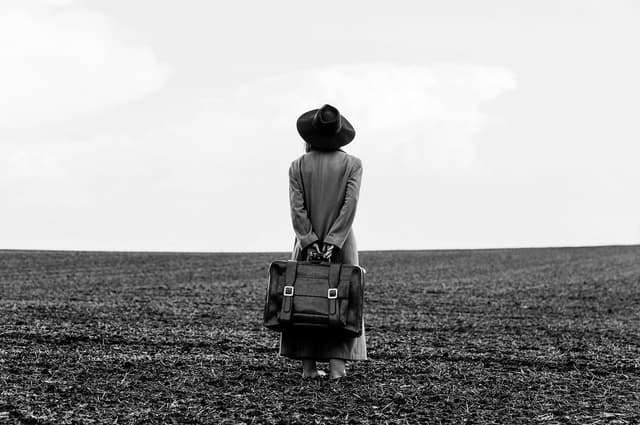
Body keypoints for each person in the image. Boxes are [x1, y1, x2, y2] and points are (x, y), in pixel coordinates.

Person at [279, 104, 367, 379]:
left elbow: (297, 209)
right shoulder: (353, 164)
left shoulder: (297, 166)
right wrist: (332, 242)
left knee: (304, 297)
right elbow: (349, 205)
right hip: (342, 245)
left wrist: (310, 241)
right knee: (341, 299)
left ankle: (308, 367)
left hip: (305, 246)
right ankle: (338, 367)